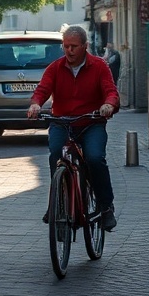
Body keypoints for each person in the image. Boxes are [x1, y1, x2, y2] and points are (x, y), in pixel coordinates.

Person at [26, 25, 120, 231]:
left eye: (74, 46)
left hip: (91, 123)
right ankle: (57, 205)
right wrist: (36, 104)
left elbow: (110, 91)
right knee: (55, 156)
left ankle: (105, 207)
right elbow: (42, 89)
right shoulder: (55, 68)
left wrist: (108, 105)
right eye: (65, 46)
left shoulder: (99, 66)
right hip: (62, 122)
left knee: (95, 158)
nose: (69, 51)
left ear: (85, 46)